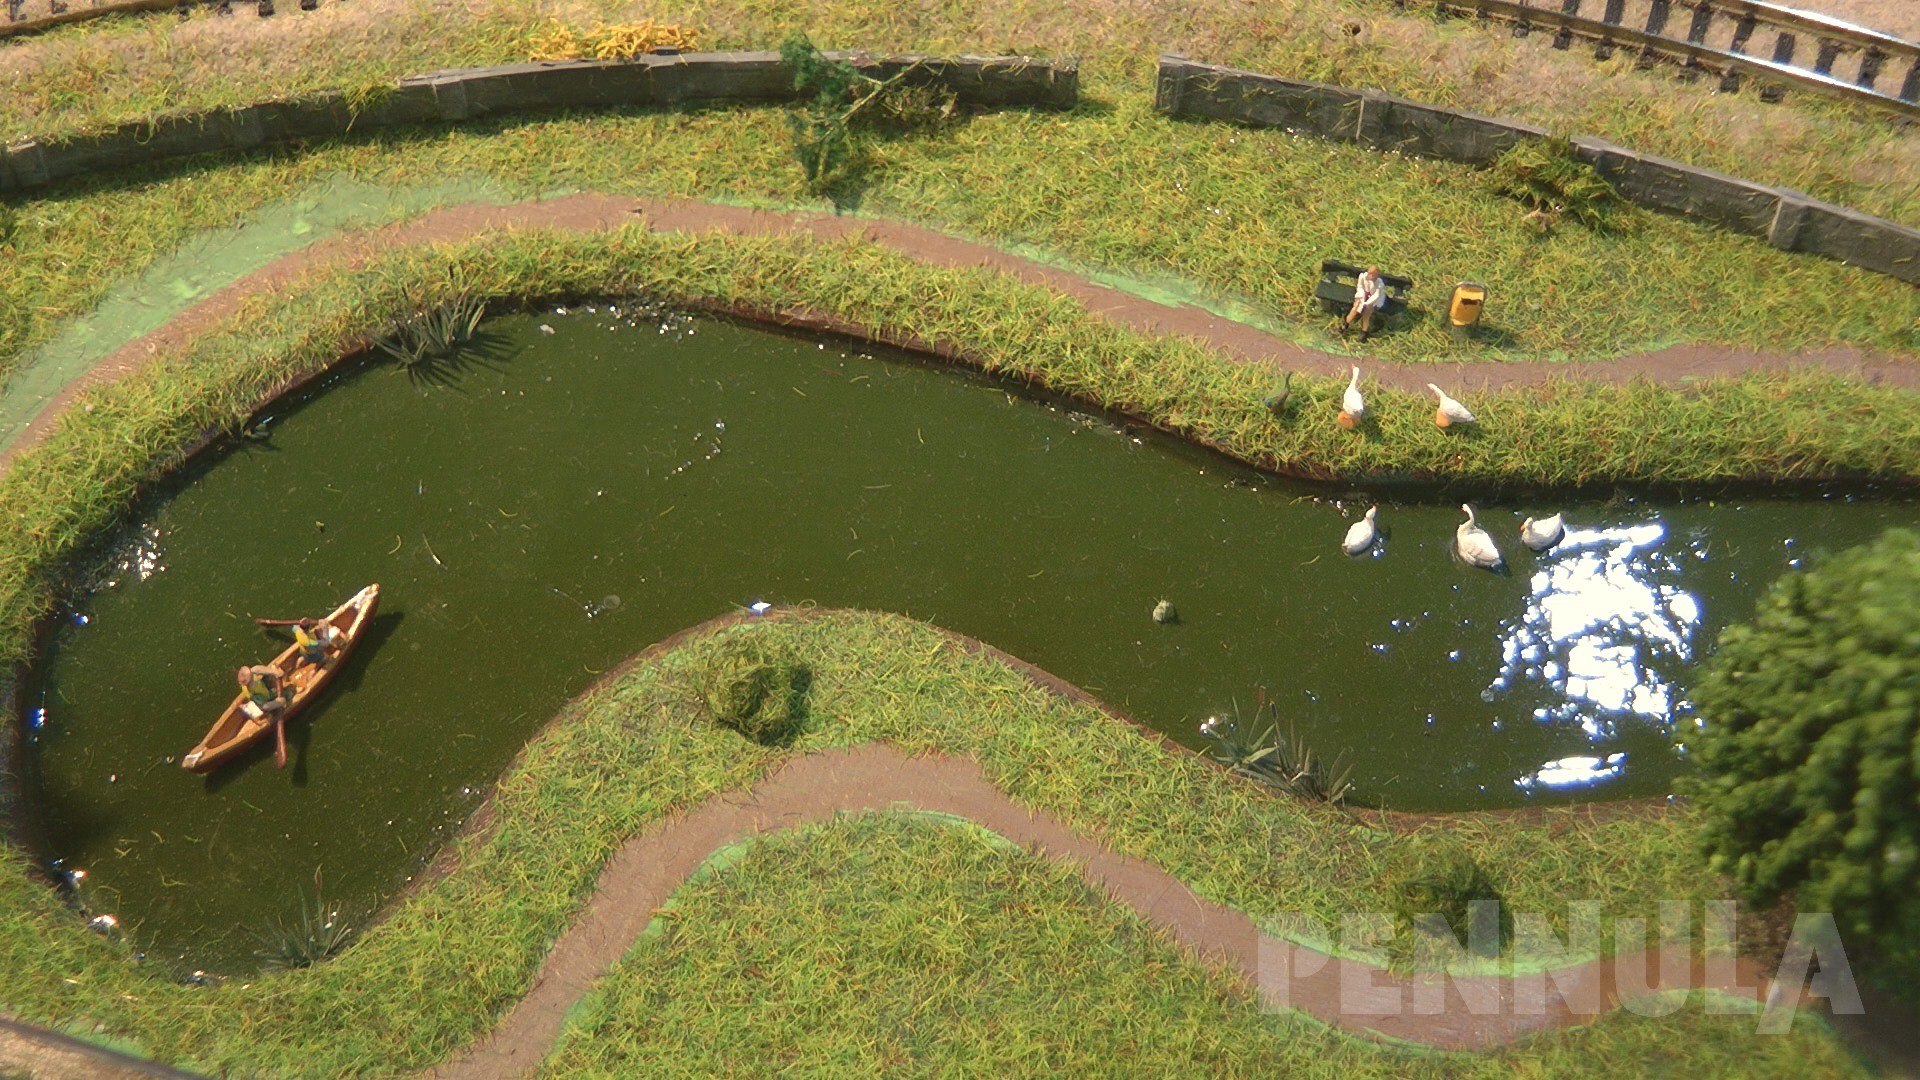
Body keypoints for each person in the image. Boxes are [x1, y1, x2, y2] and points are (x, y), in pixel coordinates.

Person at [1342, 265, 1388, 340]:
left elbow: (1376, 295)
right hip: (1363, 295)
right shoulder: (1362, 277)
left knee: (1367, 313)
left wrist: (1366, 303)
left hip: (1373, 300)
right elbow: (1360, 287)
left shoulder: (1380, 284)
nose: (1371, 276)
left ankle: (1364, 331)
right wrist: (1361, 298)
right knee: (1355, 308)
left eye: (1373, 274)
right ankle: (1345, 324)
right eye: (1370, 273)